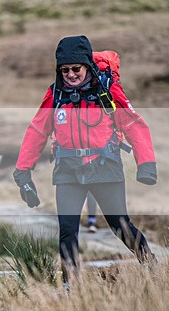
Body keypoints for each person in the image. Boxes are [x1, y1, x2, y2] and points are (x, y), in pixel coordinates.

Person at [14, 35, 157, 287]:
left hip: (105, 168)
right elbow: (37, 130)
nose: (70, 74)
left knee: (120, 225)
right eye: (64, 69)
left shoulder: (107, 90)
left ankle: (151, 265)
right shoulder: (55, 93)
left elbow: (134, 124)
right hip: (68, 171)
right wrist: (23, 173)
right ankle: (71, 286)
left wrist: (146, 163)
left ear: (87, 66)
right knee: (67, 231)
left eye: (76, 69)